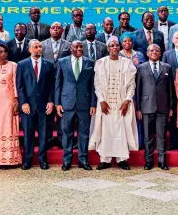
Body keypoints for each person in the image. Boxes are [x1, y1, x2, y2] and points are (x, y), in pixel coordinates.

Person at [89, 36, 138, 170]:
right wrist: (102, 101)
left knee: (121, 131)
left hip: (122, 104)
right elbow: (97, 84)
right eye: (112, 45)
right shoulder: (100, 63)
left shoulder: (127, 63)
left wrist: (127, 101)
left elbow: (131, 85)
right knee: (106, 131)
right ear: (108, 48)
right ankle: (105, 160)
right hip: (106, 104)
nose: (115, 47)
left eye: (117, 45)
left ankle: (122, 159)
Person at [55, 40, 96, 171]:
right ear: (71, 48)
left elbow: (92, 85)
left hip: (84, 103)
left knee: (84, 133)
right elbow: (58, 84)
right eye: (77, 46)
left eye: (81, 46)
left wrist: (93, 104)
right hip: (67, 103)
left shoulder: (90, 62)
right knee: (67, 133)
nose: (80, 48)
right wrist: (57, 103)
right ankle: (67, 160)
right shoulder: (62, 62)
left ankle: (83, 160)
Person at [16, 40, 55, 170]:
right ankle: (27, 160)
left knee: (43, 135)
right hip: (28, 106)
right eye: (35, 47)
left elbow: (51, 85)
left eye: (40, 47)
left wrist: (51, 101)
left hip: (44, 106)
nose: (38, 49)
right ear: (29, 49)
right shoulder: (21, 65)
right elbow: (20, 86)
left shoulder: (49, 64)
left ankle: (42, 160)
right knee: (28, 134)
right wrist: (23, 102)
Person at [136, 44, 173, 170]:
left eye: (157, 50)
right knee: (148, 136)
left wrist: (171, 107)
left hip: (163, 107)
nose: (154, 52)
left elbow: (170, 89)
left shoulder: (167, 67)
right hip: (146, 106)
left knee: (162, 135)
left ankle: (162, 162)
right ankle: (149, 161)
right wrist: (138, 109)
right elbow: (138, 89)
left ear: (161, 53)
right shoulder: (141, 68)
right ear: (147, 53)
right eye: (151, 50)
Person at [41, 22, 72, 148]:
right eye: (53, 28)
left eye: (58, 28)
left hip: (64, 83)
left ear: (62, 30)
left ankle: (61, 140)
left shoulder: (68, 45)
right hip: (46, 84)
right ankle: (48, 140)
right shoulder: (42, 45)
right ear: (49, 30)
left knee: (61, 112)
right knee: (47, 113)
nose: (55, 30)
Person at [119, 32, 146, 149]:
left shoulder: (139, 55)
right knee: (123, 116)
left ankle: (138, 142)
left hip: (137, 89)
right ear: (121, 43)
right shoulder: (118, 54)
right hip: (122, 90)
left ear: (133, 42)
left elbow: (145, 71)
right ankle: (123, 143)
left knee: (137, 116)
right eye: (124, 41)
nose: (127, 43)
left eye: (129, 41)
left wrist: (137, 65)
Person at [162, 31, 178, 150]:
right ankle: (173, 143)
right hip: (171, 91)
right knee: (172, 118)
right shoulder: (167, 54)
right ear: (172, 40)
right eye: (176, 38)